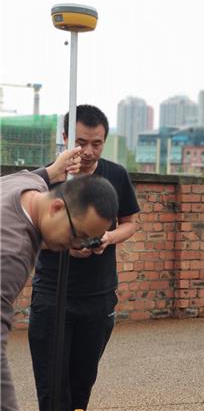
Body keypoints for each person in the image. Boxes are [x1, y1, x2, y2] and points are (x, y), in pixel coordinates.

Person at [28, 104, 140, 411]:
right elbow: (31, 234)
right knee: (52, 390)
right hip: (53, 296)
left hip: (98, 297)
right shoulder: (48, 178)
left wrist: (107, 237)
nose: (88, 151)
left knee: (82, 385)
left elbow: (130, 223)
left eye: (96, 143)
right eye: (80, 143)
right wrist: (64, 244)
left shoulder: (115, 174)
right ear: (65, 138)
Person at [1, 156, 119, 411]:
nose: (76, 246)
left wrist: (53, 170)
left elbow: (38, 176)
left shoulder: (27, 184)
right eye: (78, 235)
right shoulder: (13, 253)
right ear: (56, 208)